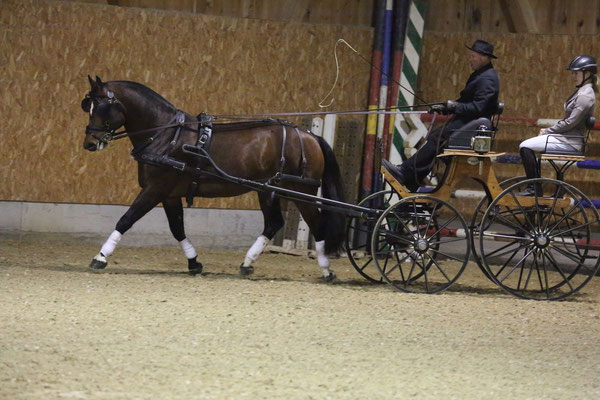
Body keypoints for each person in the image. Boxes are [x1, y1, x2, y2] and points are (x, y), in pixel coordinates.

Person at [383, 39, 500, 191]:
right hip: (466, 123)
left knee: (437, 138)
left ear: (485, 57)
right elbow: (466, 102)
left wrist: (455, 106)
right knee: (436, 136)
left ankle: (406, 173)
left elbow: (478, 107)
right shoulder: (480, 75)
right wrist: (446, 108)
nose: (469, 59)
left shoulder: (488, 78)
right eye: (470, 56)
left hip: (473, 126)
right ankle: (412, 178)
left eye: (473, 56)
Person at [517, 55, 598, 196]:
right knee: (527, 145)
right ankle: (535, 185)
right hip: (566, 138)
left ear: (588, 74)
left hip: (571, 142)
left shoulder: (586, 96)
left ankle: (534, 187)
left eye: (576, 73)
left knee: (525, 146)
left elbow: (570, 122)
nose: (573, 76)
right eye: (573, 73)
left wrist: (547, 131)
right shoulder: (582, 91)